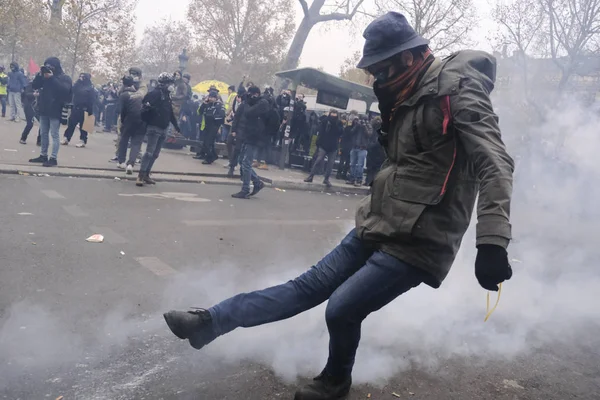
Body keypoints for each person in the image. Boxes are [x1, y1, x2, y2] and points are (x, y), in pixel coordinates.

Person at [163, 12, 515, 400]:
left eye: (381, 70)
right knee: (304, 288)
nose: (377, 80)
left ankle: (334, 384)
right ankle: (209, 322)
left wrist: (492, 242)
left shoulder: (456, 89)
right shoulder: (405, 94)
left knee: (341, 308)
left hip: (420, 239)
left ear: (409, 59)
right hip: (379, 222)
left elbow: (495, 163)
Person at [137, 72, 180, 186]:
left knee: (155, 154)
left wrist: (176, 125)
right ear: (164, 83)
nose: (172, 86)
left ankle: (146, 174)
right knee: (149, 153)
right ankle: (141, 175)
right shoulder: (155, 93)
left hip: (163, 128)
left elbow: (169, 112)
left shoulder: (167, 95)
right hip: (154, 127)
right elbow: (145, 106)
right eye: (170, 83)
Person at [29, 57, 72, 167]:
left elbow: (65, 91)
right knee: (43, 133)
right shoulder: (44, 77)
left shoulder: (64, 78)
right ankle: (43, 155)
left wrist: (52, 78)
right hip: (44, 108)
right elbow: (34, 86)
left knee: (54, 134)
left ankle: (53, 158)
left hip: (56, 109)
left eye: (50, 66)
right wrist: (39, 75)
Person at [230, 86, 267, 199]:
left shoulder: (261, 104)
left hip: (253, 137)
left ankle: (246, 189)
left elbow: (248, 113)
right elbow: (238, 116)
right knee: (242, 161)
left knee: (246, 162)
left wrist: (247, 102)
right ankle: (257, 182)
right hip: (246, 135)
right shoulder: (249, 103)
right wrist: (235, 130)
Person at [304, 109, 344, 188]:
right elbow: (321, 131)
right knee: (318, 160)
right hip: (324, 144)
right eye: (332, 113)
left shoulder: (339, 123)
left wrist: (334, 123)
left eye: (335, 114)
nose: (333, 115)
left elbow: (340, 132)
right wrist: (318, 142)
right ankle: (311, 176)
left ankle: (326, 179)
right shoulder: (325, 121)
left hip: (333, 146)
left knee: (330, 164)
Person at [116, 75, 146, 175]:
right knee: (136, 143)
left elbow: (121, 111)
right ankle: (131, 164)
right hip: (142, 120)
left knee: (124, 140)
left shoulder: (124, 95)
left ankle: (121, 162)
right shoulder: (140, 95)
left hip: (129, 119)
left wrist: (123, 122)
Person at [62, 73, 95, 147]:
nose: (81, 78)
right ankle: (66, 138)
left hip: (85, 109)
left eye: (83, 77)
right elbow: (73, 90)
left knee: (84, 126)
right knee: (71, 124)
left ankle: (83, 140)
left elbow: (92, 100)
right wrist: (78, 81)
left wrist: (90, 111)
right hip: (76, 108)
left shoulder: (90, 87)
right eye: (80, 76)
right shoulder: (78, 85)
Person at [194, 91, 225, 164]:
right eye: (210, 97)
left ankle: (209, 158)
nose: (210, 99)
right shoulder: (207, 104)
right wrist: (204, 103)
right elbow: (200, 112)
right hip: (206, 125)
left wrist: (213, 118)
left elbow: (221, 116)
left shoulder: (219, 105)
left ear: (215, 98)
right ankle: (213, 155)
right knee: (206, 142)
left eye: (212, 97)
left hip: (214, 126)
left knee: (208, 143)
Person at [346, 117, 370, 186]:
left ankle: (359, 180)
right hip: (354, 147)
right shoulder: (357, 126)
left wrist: (364, 126)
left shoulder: (368, 125)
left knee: (360, 165)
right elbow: (351, 132)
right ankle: (352, 179)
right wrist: (357, 126)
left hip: (362, 148)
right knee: (352, 164)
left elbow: (369, 134)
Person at [19, 80, 37, 144]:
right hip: (29, 106)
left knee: (44, 125)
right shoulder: (31, 85)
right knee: (30, 124)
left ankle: (40, 141)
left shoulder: (44, 86)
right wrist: (33, 94)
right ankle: (23, 138)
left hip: (39, 107)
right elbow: (26, 94)